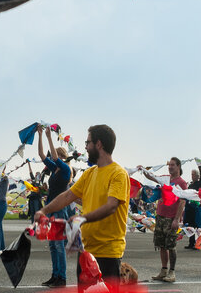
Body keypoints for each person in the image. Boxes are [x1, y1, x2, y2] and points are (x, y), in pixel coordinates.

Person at [35, 125, 129, 292]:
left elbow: (111, 206)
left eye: (88, 142)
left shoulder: (118, 174)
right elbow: (67, 196)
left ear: (98, 144)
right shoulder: (89, 173)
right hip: (86, 251)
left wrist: (82, 218)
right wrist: (44, 211)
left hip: (108, 253)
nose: (85, 146)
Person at [37, 126, 71, 288]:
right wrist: (40, 135)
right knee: (52, 244)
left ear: (61, 157)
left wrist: (50, 136)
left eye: (55, 156)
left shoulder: (65, 170)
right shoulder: (54, 170)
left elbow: (54, 157)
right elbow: (42, 155)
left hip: (60, 210)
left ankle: (61, 278)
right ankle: (55, 275)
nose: (52, 158)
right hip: (50, 209)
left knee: (58, 245)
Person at [144, 157, 187, 283]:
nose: (170, 167)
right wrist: (143, 169)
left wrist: (176, 219)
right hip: (160, 215)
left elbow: (182, 202)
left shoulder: (181, 183)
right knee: (161, 245)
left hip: (171, 218)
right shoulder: (165, 179)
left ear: (178, 166)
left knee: (171, 246)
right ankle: (163, 271)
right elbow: (151, 177)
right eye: (169, 165)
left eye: (173, 165)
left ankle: (172, 272)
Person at [183, 166, 201, 249]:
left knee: (197, 227)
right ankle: (191, 243)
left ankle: (197, 244)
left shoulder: (199, 184)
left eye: (194, 174)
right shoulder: (190, 185)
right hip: (189, 208)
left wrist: (200, 166)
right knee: (190, 226)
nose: (192, 176)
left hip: (196, 208)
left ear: (198, 176)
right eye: (191, 174)